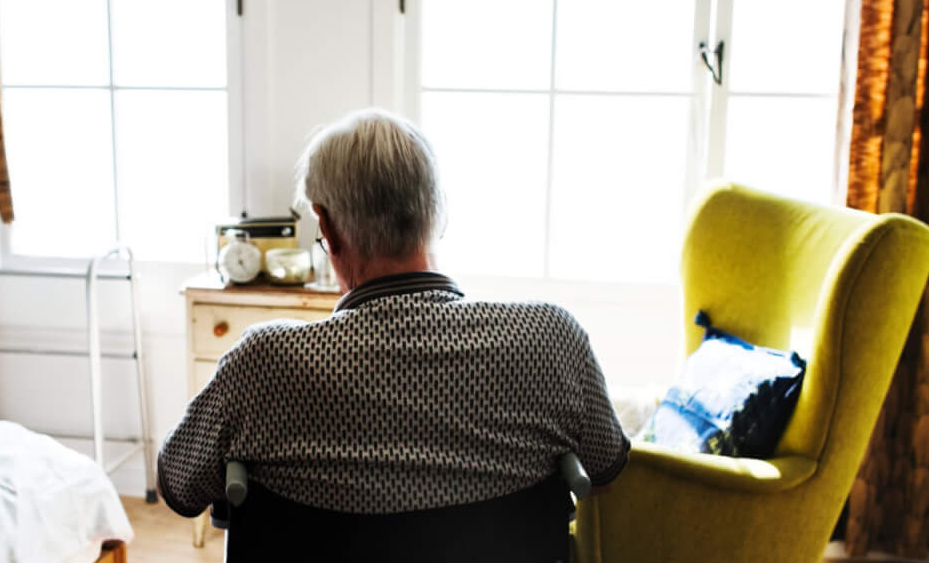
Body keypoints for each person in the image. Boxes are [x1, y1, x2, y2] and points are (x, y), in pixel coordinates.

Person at [157, 108, 629, 518]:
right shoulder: (551, 338)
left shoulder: (265, 362)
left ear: (327, 227)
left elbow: (179, 486)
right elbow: (606, 472)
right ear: (436, 214)